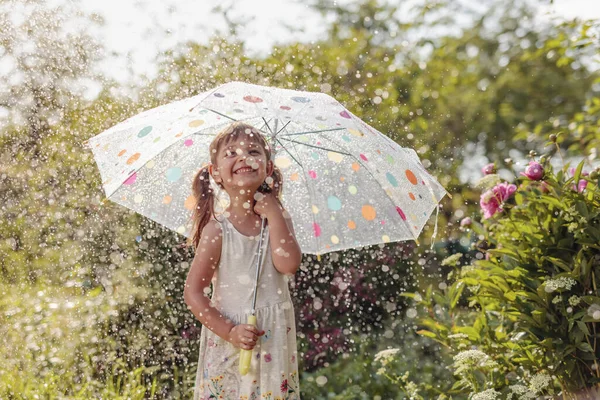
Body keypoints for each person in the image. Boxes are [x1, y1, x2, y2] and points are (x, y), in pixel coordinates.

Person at [184, 121, 302, 399]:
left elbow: (288, 265)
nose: (243, 157)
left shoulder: (278, 220)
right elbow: (193, 293)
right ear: (215, 173)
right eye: (231, 153)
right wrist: (230, 331)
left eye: (253, 151)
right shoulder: (217, 230)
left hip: (272, 337)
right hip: (231, 338)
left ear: (268, 168)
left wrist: (273, 214)